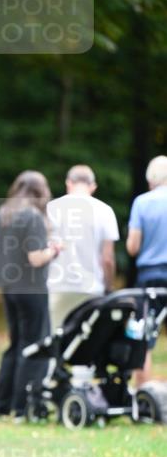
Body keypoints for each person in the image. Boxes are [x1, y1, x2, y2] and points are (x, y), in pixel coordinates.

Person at [0, 170, 63, 422]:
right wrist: (54, 250)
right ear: (40, 192)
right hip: (32, 289)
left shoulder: (3, 215)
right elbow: (35, 257)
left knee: (15, 346)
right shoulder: (33, 217)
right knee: (33, 347)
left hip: (9, 289)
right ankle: (23, 407)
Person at [47, 165, 119, 331]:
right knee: (88, 345)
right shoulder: (105, 211)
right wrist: (108, 287)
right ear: (93, 186)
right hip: (92, 289)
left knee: (53, 342)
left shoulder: (51, 208)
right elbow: (107, 258)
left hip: (57, 286)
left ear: (68, 183)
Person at [126, 154, 167, 384]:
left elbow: (133, 247)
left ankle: (142, 394)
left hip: (150, 277)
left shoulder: (142, 202)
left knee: (144, 335)